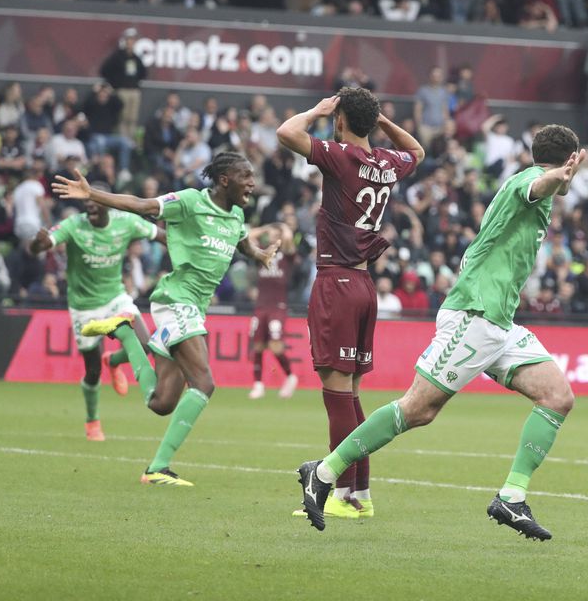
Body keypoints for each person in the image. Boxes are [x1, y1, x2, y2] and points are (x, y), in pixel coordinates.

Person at [295, 126, 587, 540]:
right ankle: (323, 472)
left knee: (558, 396)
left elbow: (545, 189)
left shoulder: (536, 192)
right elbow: (538, 185)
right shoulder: (527, 181)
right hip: (473, 314)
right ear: (568, 160)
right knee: (417, 410)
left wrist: (560, 179)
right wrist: (558, 176)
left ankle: (511, 496)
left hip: (499, 323)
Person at [52, 152, 277, 487]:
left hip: (195, 308)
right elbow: (142, 206)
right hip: (176, 300)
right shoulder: (188, 202)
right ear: (225, 179)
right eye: (246, 176)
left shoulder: (236, 216)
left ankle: (126, 333)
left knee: (161, 402)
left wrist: (258, 254)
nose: (253, 183)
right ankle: (157, 467)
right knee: (204, 383)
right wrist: (93, 194)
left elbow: (241, 239)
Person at [277, 88, 423, 519]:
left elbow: (287, 132)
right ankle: (360, 494)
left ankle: (340, 494)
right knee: (353, 395)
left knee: (336, 395)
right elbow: (416, 148)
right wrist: (380, 123)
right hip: (363, 283)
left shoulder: (340, 156)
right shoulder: (387, 162)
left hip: (336, 282)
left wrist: (318, 110)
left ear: (340, 120)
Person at [29, 186, 165, 440]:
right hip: (84, 306)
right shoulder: (74, 225)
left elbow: (161, 235)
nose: (90, 209)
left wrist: (192, 248)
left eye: (94, 204)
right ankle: (92, 421)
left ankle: (113, 361)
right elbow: (40, 246)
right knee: (92, 371)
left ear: (107, 205)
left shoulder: (126, 222)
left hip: (115, 297)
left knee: (146, 344)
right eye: (87, 205)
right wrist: (38, 242)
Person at [247, 222, 300, 400]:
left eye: (276, 234)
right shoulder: (261, 251)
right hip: (261, 304)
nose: (272, 236)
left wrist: (283, 228)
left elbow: (289, 240)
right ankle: (258, 385)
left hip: (278, 306)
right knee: (258, 346)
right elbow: (247, 236)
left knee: (276, 345)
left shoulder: (287, 255)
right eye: (271, 234)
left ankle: (291, 377)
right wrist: (265, 228)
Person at [99, 27, 147, 139]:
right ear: (125, 41)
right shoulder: (118, 56)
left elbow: (143, 73)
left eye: (133, 40)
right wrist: (115, 84)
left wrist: (135, 83)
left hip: (134, 91)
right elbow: (105, 70)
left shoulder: (135, 58)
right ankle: (122, 139)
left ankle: (130, 140)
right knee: (123, 117)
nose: (131, 42)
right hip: (122, 90)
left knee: (132, 118)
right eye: (129, 39)